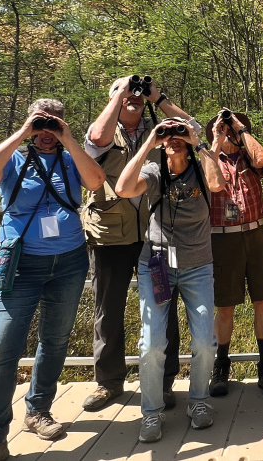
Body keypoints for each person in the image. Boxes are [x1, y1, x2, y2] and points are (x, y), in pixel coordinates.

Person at [0, 99, 106, 461]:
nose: (47, 133)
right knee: (1, 352)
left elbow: (96, 180)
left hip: (69, 262)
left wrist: (70, 140)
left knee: (55, 341)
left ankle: (38, 411)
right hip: (19, 264)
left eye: (54, 125)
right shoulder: (14, 159)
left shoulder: (69, 158)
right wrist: (23, 133)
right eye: (41, 126)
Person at [81, 76, 202, 412]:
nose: (132, 97)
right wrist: (119, 93)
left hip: (157, 233)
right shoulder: (105, 129)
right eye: (124, 93)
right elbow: (96, 139)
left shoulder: (158, 127)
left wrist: (158, 97)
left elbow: (194, 130)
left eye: (136, 93)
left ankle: (163, 381)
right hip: (110, 234)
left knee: (164, 307)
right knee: (109, 309)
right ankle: (109, 383)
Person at [115, 117, 225, 442]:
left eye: (179, 133)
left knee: (205, 340)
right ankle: (151, 413)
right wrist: (149, 143)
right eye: (168, 134)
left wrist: (198, 141)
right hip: (157, 263)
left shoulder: (201, 170)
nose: (173, 138)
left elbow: (218, 183)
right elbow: (122, 188)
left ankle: (199, 402)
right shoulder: (153, 171)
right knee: (152, 343)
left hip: (197, 266)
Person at [204, 109, 263, 399]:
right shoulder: (207, 157)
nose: (227, 133)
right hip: (222, 238)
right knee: (225, 306)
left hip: (255, 233)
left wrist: (241, 129)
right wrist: (215, 141)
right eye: (221, 128)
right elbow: (206, 180)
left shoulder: (251, 158)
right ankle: (220, 366)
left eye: (231, 128)